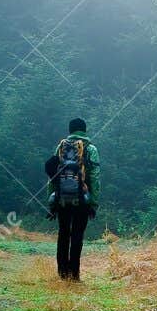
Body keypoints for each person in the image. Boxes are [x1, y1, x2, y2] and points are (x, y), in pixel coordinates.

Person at [45, 118, 100, 281]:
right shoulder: (91, 149)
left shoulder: (61, 147)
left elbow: (52, 177)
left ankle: (62, 274)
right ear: (85, 130)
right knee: (77, 235)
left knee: (63, 234)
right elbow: (95, 178)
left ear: (70, 131)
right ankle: (74, 276)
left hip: (62, 199)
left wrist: (52, 202)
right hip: (82, 199)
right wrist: (93, 203)